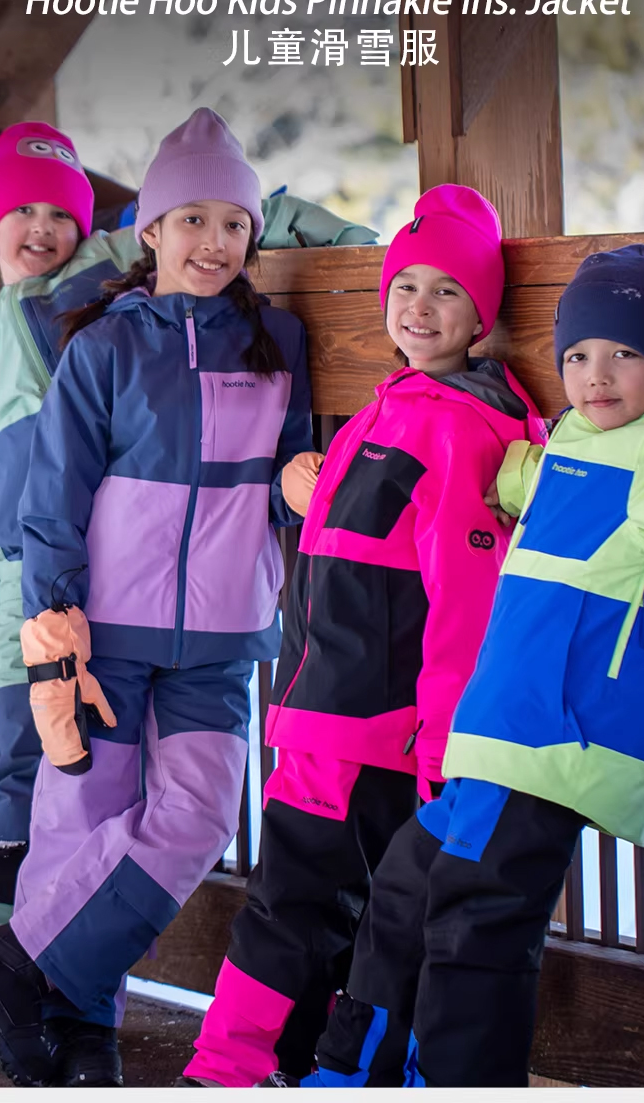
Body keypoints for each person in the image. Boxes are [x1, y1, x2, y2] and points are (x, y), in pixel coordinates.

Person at [0, 108, 314, 1089]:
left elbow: (288, 469)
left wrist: (299, 484)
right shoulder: (104, 344)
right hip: (103, 628)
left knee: (199, 815)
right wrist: (53, 617)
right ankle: (81, 1034)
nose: (214, 242)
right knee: (82, 823)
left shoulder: (277, 339)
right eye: (192, 220)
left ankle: (17, 964)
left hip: (224, 634)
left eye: (233, 223)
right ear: (149, 230)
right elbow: (53, 493)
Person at [312, 242, 644, 1088]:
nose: (595, 375)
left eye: (625, 353)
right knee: (404, 888)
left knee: (477, 921)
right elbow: (521, 479)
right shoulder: (571, 439)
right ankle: (354, 1071)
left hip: (557, 737)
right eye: (577, 355)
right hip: (499, 730)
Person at [181, 184, 546, 1089]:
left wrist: (445, 744)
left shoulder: (458, 428)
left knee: (295, 906)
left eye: (447, 291)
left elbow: (464, 601)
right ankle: (306, 1068)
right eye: (406, 285)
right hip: (329, 713)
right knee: (340, 911)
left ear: (483, 316)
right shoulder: (392, 407)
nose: (420, 306)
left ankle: (224, 1072)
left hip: (368, 729)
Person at [0, 123, 145, 1051]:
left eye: (60, 214)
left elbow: (210, 211)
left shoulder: (113, 286)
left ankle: (65, 992)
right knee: (18, 783)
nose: (41, 228)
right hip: (24, 609)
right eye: (20, 209)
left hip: (125, 597)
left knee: (104, 798)